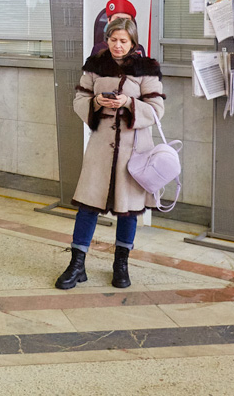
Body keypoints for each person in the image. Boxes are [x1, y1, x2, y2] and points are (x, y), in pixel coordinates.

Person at [56, 16, 165, 291]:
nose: (118, 46)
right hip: (100, 146)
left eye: (123, 41)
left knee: (128, 210)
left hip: (133, 148)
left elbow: (157, 110)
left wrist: (129, 102)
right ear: (107, 40)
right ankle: (77, 264)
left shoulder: (147, 68)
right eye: (113, 40)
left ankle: (121, 264)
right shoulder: (95, 65)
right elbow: (78, 100)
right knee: (87, 205)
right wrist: (95, 102)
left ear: (133, 41)